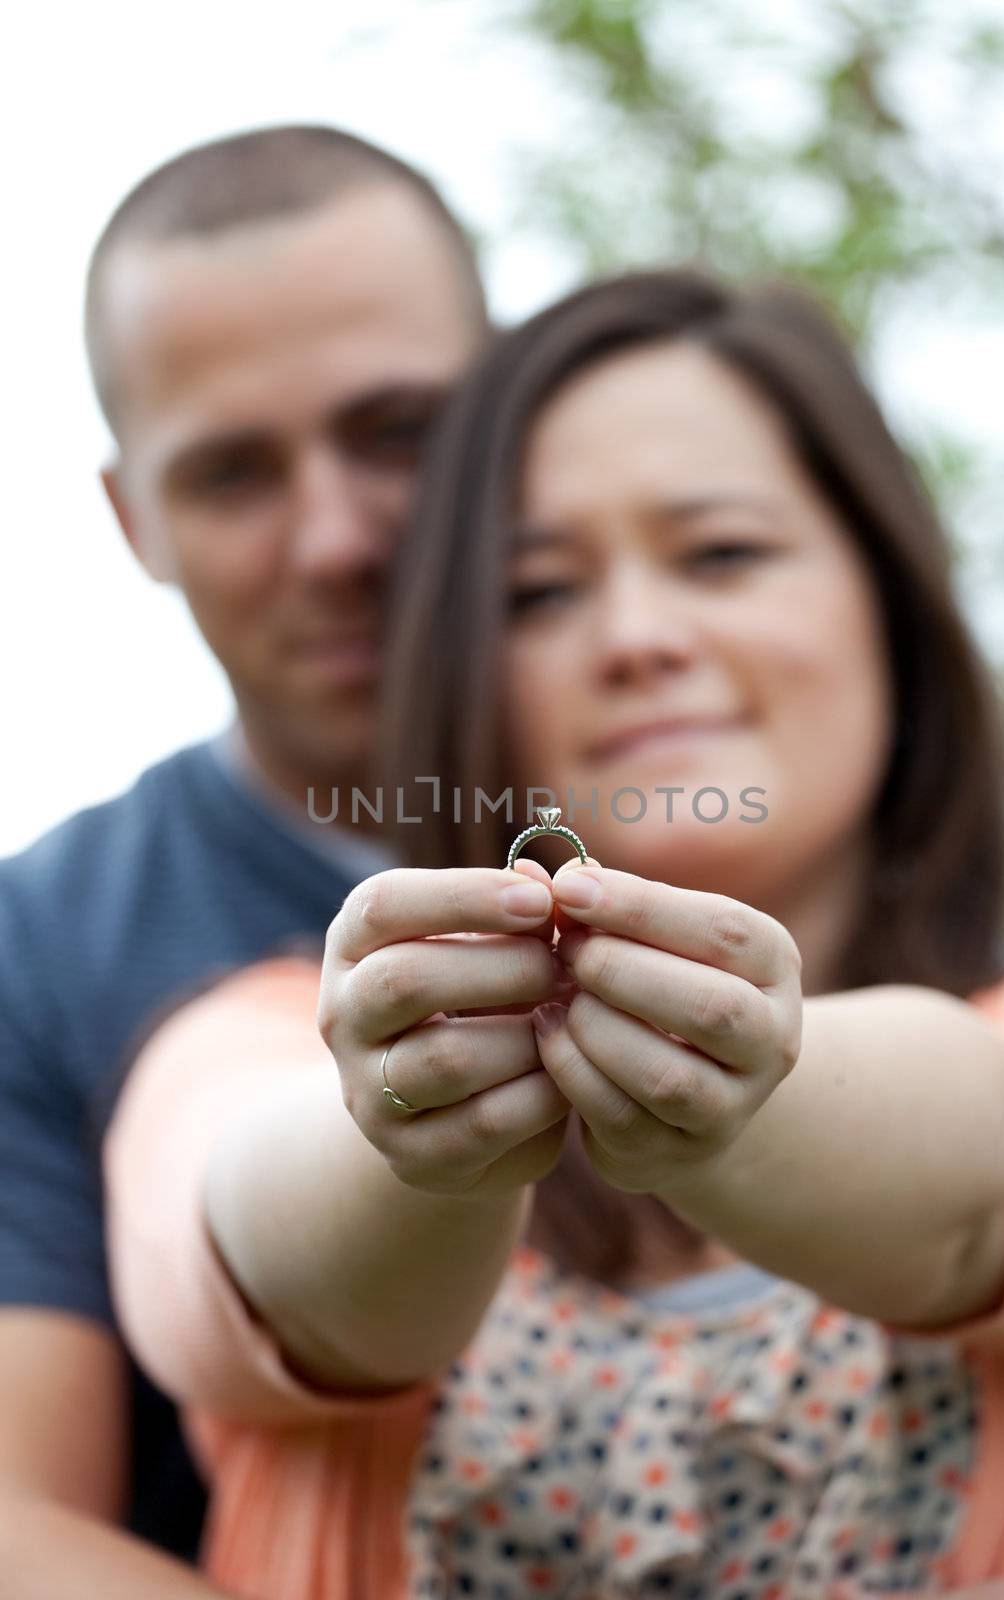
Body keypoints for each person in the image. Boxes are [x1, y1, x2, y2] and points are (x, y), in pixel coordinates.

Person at [104, 271, 1004, 1599]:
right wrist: (414, 1117)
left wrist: (738, 1089)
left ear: (889, 606)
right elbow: (262, 1255)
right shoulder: (255, 1040)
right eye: (540, 592)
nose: (636, 639)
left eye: (723, 554)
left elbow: (1002, 1161)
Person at [0, 123, 489, 1594]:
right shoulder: (45, 941)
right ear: (131, 519)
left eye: (396, 431)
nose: (335, 537)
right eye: (231, 475)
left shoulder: (737, 797)